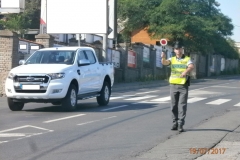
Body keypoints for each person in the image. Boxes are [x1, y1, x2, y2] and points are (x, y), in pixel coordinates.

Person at [161, 41, 194, 132]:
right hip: (173, 85)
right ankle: (174, 123)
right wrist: (163, 58)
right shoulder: (172, 59)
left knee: (182, 105)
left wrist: (185, 72)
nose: (178, 50)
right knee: (173, 105)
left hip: (183, 85)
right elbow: (165, 63)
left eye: (179, 48)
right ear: (174, 50)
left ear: (182, 50)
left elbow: (191, 66)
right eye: (176, 49)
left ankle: (180, 123)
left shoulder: (187, 59)